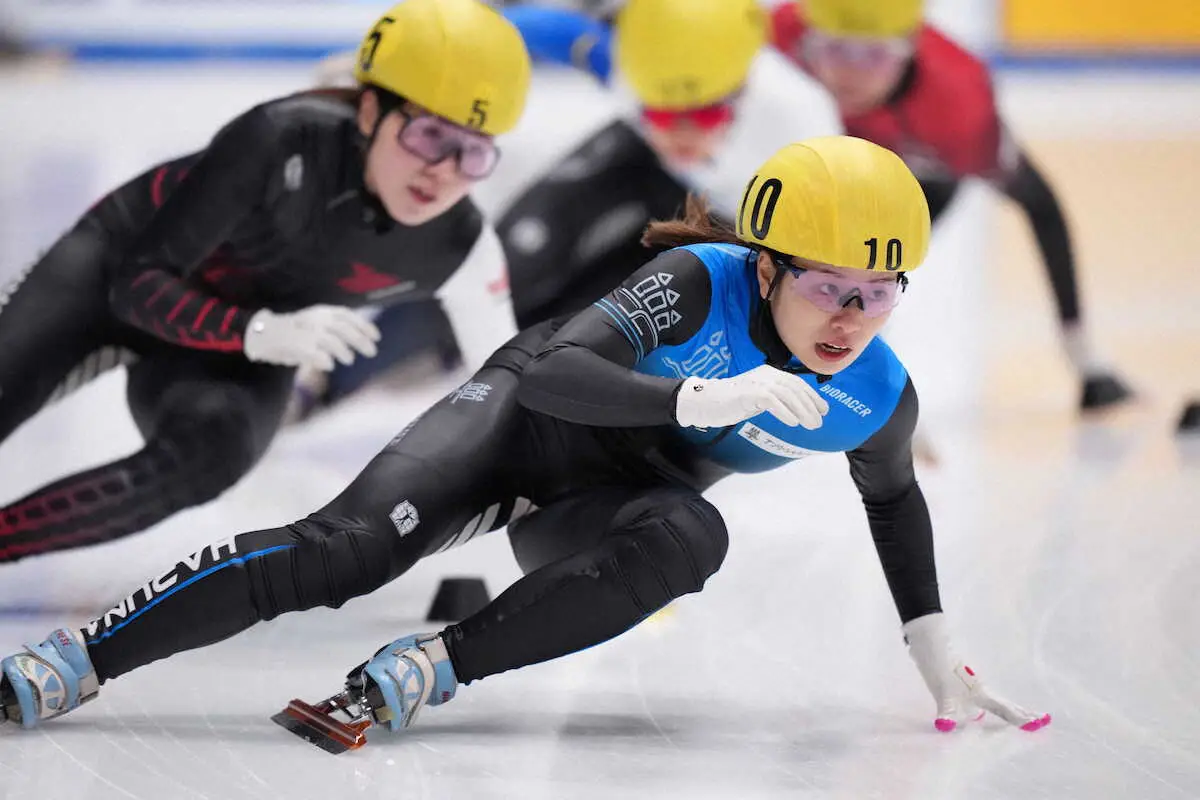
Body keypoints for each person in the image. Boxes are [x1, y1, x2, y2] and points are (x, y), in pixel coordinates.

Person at [2, 135, 1050, 739]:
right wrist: (699, 401)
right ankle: (74, 660)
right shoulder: (698, 284)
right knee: (340, 554)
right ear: (766, 265)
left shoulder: (876, 388)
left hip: (600, 507)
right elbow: (552, 368)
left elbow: (893, 494)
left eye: (880, 293)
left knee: (691, 538)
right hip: (516, 429)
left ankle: (432, 665)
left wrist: (933, 643)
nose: (852, 318)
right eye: (830, 287)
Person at [0, 0, 530, 564]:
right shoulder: (278, 138)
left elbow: (506, 393)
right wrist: (257, 331)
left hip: (231, 351)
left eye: (472, 153)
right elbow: (135, 284)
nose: (444, 171)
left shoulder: (464, 248)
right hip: (112, 277)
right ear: (371, 111)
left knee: (214, 455)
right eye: (428, 136)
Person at [291, 0, 766, 418]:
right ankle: (322, 383)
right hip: (643, 163)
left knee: (595, 318)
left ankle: (471, 366)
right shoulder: (636, 60)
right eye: (657, 109)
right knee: (517, 253)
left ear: (743, 94)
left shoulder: (792, 120)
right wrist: (387, 72)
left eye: (704, 114)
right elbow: (498, 31)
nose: (679, 132)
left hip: (731, 216)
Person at [770, 0, 1132, 411]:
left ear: (908, 47)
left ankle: (869, 382)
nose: (849, 74)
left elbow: (1041, 207)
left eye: (873, 54)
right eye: (833, 49)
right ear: (808, 37)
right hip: (861, 146)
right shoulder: (782, 29)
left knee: (862, 261)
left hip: (929, 173)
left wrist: (1084, 360)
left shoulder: (959, 107)